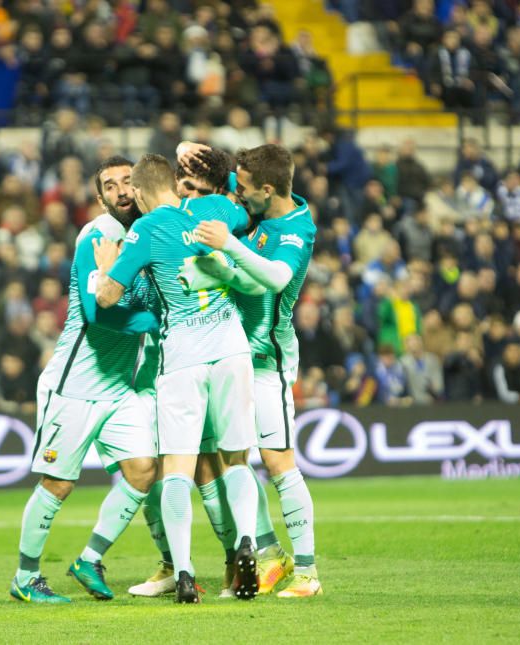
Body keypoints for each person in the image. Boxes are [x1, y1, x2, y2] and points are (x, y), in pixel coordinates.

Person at [94, 153, 259, 603]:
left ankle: (184, 572)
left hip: (183, 357)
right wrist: (223, 178)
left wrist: (104, 266)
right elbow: (247, 206)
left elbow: (107, 299)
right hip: (231, 347)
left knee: (179, 469)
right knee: (237, 458)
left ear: (143, 193)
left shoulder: (145, 230)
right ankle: (247, 540)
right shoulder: (216, 210)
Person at [10, 156, 161, 604]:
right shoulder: (99, 235)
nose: (121, 190)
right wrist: (157, 319)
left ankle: (90, 559)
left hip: (119, 386)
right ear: (100, 198)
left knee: (142, 471)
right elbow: (97, 314)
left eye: (128, 181)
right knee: (58, 484)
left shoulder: (145, 235)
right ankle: (25, 577)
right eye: (110, 185)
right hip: (74, 383)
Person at [189, 143, 322, 597]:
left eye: (244, 189)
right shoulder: (260, 204)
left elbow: (277, 278)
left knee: (278, 461)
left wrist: (227, 246)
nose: (237, 194)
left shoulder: (295, 232)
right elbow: (221, 173)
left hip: (269, 362)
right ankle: (270, 557)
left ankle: (307, 572)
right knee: (234, 458)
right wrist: (195, 150)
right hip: (234, 356)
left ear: (269, 189)